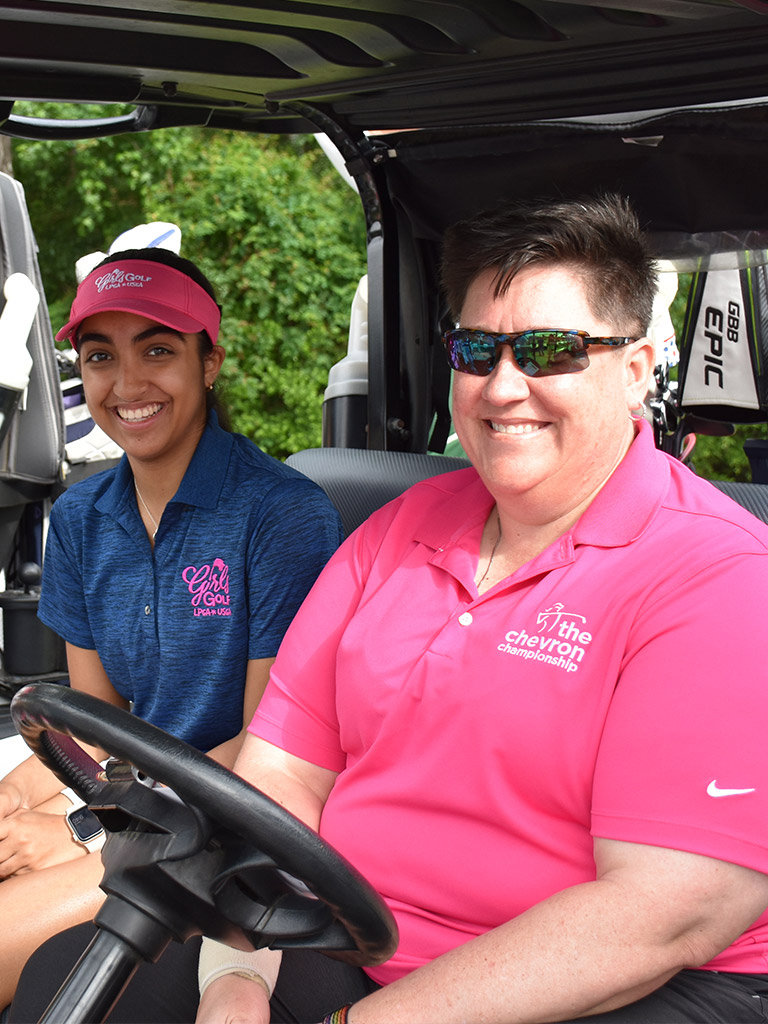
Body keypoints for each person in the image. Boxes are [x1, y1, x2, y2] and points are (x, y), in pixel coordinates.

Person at [12, 193, 768, 1024]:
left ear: (636, 369)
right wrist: (233, 979)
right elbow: (280, 779)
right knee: (72, 981)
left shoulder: (713, 576)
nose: (504, 385)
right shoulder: (396, 533)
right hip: (352, 931)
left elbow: (667, 913)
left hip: (603, 981)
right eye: (478, 350)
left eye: (550, 351)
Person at [0, 246, 343, 1010]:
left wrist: (86, 826)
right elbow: (95, 725)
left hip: (227, 829)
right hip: (130, 798)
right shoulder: (83, 518)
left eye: (157, 349)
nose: (126, 384)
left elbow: (269, 750)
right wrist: (19, 799)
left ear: (210, 360)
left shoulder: (281, 515)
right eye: (100, 356)